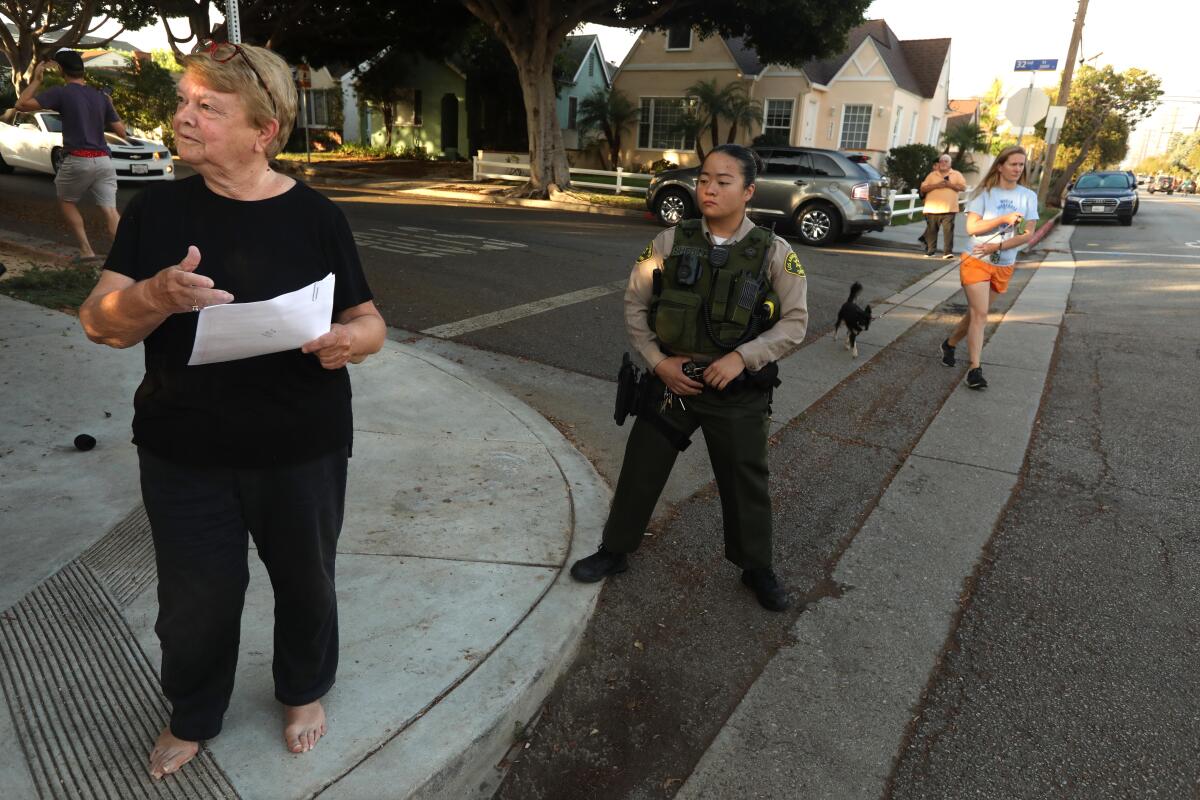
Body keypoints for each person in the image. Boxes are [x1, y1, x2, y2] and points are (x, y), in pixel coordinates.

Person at [77, 40, 386, 780]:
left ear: (262, 131)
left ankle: (304, 691)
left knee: (308, 580)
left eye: (206, 108)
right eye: (184, 101)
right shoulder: (157, 210)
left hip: (302, 444)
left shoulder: (317, 217)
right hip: (184, 450)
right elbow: (99, 322)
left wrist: (352, 340)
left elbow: (371, 320)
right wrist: (153, 296)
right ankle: (193, 712)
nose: (183, 117)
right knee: (195, 601)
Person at [569, 144, 809, 612]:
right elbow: (635, 305)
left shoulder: (774, 253)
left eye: (723, 181)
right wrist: (658, 362)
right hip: (672, 382)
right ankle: (614, 550)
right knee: (641, 465)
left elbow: (794, 322)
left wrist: (742, 357)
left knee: (745, 480)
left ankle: (755, 566)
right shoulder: (668, 243)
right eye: (704, 180)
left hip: (736, 390)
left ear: (748, 191)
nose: (710, 188)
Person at [940, 145, 1038, 389]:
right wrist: (1002, 219)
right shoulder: (984, 194)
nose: (1017, 168)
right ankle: (975, 370)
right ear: (1000, 166)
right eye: (1013, 164)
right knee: (981, 314)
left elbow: (1028, 234)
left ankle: (950, 344)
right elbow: (972, 228)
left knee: (976, 314)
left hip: (1004, 264)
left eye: (1021, 164)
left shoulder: (1028, 196)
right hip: (976, 262)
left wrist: (999, 247)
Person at [15, 49, 126, 261]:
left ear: (61, 70)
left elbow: (21, 105)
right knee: (110, 211)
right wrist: (109, 104)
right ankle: (126, 256)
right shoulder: (100, 96)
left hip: (78, 159)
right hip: (104, 161)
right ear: (82, 71)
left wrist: (37, 80)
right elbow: (121, 132)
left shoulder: (61, 92)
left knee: (67, 201)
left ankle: (86, 250)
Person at [918, 154, 967, 258]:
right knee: (931, 231)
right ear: (939, 163)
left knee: (948, 232)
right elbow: (923, 188)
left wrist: (950, 185)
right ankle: (931, 251)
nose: (943, 163)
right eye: (941, 161)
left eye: (946, 161)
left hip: (949, 208)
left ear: (950, 163)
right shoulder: (932, 175)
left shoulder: (956, 174)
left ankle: (947, 252)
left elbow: (963, 187)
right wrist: (937, 185)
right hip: (932, 208)